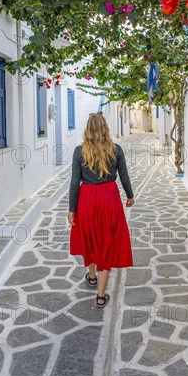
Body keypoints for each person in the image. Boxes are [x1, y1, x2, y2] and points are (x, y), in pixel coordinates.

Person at [68, 113, 135, 308]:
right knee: (106, 240)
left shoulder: (79, 152)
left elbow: (74, 183)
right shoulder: (116, 150)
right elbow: (124, 177)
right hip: (109, 198)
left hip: (87, 199)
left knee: (89, 237)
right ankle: (100, 295)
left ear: (87, 129)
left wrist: (72, 208)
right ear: (105, 128)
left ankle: (91, 276)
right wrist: (130, 196)